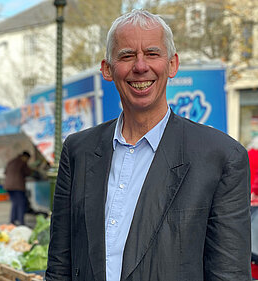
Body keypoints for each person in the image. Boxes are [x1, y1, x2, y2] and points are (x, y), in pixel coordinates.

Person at [46, 10, 251, 281]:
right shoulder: (78, 151)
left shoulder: (221, 157)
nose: (140, 66)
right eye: (127, 55)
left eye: (152, 54)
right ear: (107, 69)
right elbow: (60, 266)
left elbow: (230, 275)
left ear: (172, 65)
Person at [3, 151, 32, 225]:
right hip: (18, 186)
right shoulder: (22, 162)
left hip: (8, 185)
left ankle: (12, 221)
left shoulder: (12, 161)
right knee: (21, 203)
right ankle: (21, 222)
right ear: (25, 157)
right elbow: (28, 172)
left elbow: (5, 172)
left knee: (15, 203)